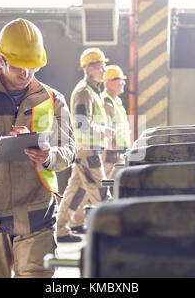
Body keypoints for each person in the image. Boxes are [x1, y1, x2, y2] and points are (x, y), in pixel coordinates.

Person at [0, 18, 76, 278]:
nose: (26, 73)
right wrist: (0, 145)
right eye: (19, 65)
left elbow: (69, 151)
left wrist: (48, 156)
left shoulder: (54, 100)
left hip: (37, 213)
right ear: (0, 59)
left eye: (32, 66)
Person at [56, 48, 114, 242]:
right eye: (100, 67)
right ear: (89, 69)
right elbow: (81, 123)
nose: (104, 71)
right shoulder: (84, 92)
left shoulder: (92, 91)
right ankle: (110, 233)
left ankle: (61, 230)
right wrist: (103, 131)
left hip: (87, 149)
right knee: (100, 191)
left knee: (76, 192)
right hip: (87, 150)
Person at [102, 65, 131, 181]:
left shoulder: (116, 101)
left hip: (119, 150)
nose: (123, 83)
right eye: (120, 80)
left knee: (116, 183)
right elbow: (106, 127)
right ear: (109, 82)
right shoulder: (106, 101)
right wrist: (112, 147)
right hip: (111, 151)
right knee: (107, 183)